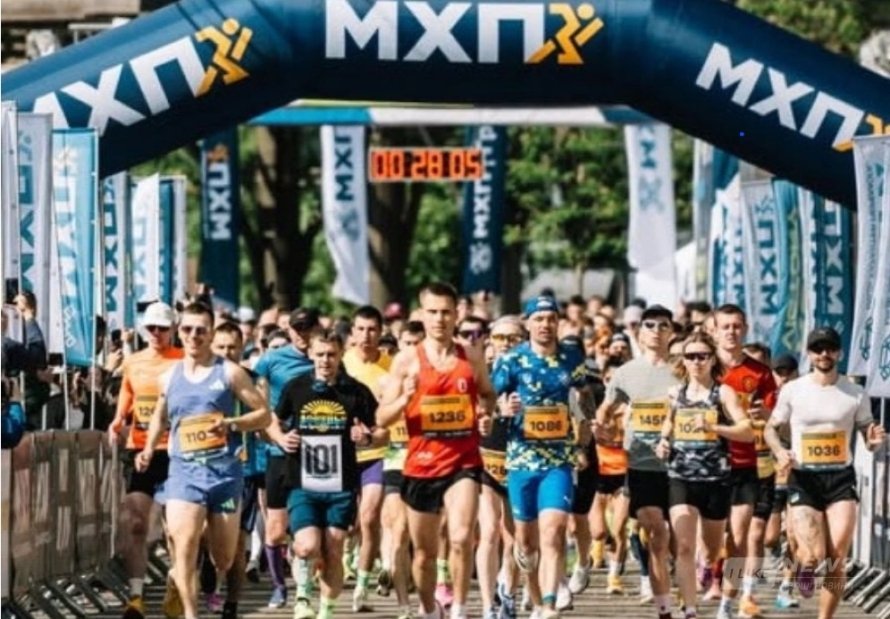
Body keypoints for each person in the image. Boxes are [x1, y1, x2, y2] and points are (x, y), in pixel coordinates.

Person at [135, 302, 270, 619]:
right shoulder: (169, 376)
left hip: (224, 476)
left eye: (201, 330)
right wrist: (149, 448)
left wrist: (231, 424)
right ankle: (191, 613)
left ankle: (189, 572)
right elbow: (160, 416)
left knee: (223, 558)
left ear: (210, 333)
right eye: (187, 329)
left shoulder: (230, 373)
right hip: (184, 473)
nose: (194, 335)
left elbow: (263, 414)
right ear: (179, 332)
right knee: (183, 544)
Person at [377, 282, 496, 619]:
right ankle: (430, 610)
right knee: (424, 555)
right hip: (422, 465)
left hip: (464, 461)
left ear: (457, 314)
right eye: (432, 312)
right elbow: (382, 418)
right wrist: (405, 398)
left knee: (460, 537)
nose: (439, 319)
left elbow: (488, 394)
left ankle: (459, 608)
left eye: (446, 312)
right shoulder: (406, 361)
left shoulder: (471, 356)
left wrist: (485, 414)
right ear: (421, 314)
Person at [765, 327, 886, 619]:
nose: (824, 354)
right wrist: (780, 452)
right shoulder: (794, 390)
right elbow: (770, 428)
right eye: (818, 349)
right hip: (804, 478)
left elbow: (867, 434)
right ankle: (803, 567)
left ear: (839, 353)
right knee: (812, 555)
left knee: (837, 556)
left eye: (830, 348)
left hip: (840, 478)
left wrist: (874, 441)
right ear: (809, 354)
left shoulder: (855, 393)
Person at [274, 330, 388, 619]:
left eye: (331, 355)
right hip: (303, 481)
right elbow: (272, 421)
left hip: (341, 484)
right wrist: (281, 438)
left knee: (334, 549)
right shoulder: (296, 387)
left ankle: (326, 612)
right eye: (320, 354)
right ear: (311, 355)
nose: (325, 360)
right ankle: (302, 597)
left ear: (340, 355)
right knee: (307, 546)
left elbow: (382, 432)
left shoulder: (356, 391)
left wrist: (366, 437)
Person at [493, 296, 591, 619]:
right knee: (526, 544)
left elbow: (584, 394)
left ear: (558, 322)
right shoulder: (511, 360)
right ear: (528, 323)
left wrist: (586, 430)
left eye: (551, 318)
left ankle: (548, 604)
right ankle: (535, 598)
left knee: (553, 532)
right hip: (521, 461)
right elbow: (489, 402)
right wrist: (503, 409)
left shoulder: (571, 358)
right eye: (539, 319)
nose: (545, 324)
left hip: (558, 461)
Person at [655, 333, 753, 619]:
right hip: (681, 476)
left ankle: (709, 568)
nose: (696, 362)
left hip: (716, 480)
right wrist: (662, 442)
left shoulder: (723, 393)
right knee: (684, 546)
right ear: (683, 361)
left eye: (702, 356)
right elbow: (668, 425)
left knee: (711, 551)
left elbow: (747, 431)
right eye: (690, 356)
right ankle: (690, 610)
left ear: (712, 360)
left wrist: (715, 428)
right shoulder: (675, 394)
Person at [593, 304, 678, 619]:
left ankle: (686, 584)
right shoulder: (625, 372)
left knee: (682, 543)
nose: (656, 331)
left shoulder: (683, 369)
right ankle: (664, 607)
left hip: (681, 466)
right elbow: (605, 408)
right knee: (656, 532)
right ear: (640, 333)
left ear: (672, 332)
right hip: (642, 465)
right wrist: (600, 425)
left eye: (663, 325)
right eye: (650, 325)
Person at [107, 302, 184, 619]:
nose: (156, 333)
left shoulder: (183, 360)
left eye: (162, 328)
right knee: (136, 524)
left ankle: (176, 584)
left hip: (176, 451)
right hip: (140, 450)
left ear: (173, 329)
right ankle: (135, 597)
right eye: (151, 327)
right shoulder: (134, 361)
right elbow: (128, 391)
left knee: (174, 529)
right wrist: (118, 418)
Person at [710, 305, 778, 619]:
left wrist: (766, 415)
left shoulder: (760, 373)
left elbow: (775, 417)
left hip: (745, 463)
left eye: (737, 326)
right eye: (725, 326)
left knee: (741, 537)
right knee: (710, 541)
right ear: (714, 330)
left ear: (745, 329)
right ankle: (701, 580)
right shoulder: (701, 365)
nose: (731, 332)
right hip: (704, 465)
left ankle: (731, 601)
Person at [255, 307, 320, 608]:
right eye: (297, 328)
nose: (302, 334)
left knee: (310, 526)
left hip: (317, 453)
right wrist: (278, 437)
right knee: (276, 528)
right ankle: (279, 587)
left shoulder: (325, 358)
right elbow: (259, 405)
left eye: (307, 327)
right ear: (289, 330)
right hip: (278, 452)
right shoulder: (271, 360)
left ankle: (305, 589)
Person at [342, 305, 391, 612]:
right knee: (346, 523)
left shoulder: (392, 367)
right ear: (352, 333)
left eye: (372, 329)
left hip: (377, 453)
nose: (366, 335)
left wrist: (372, 435)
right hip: (342, 455)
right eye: (360, 329)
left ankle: (361, 587)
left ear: (381, 332)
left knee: (370, 517)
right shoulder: (340, 364)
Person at [477, 315, 524, 619]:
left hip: (522, 461)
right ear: (490, 342)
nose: (505, 343)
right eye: (499, 337)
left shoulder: (533, 374)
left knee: (515, 537)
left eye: (513, 338)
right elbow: (471, 413)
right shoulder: (481, 376)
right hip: (487, 459)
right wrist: (495, 412)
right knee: (490, 531)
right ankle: (487, 605)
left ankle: (508, 591)